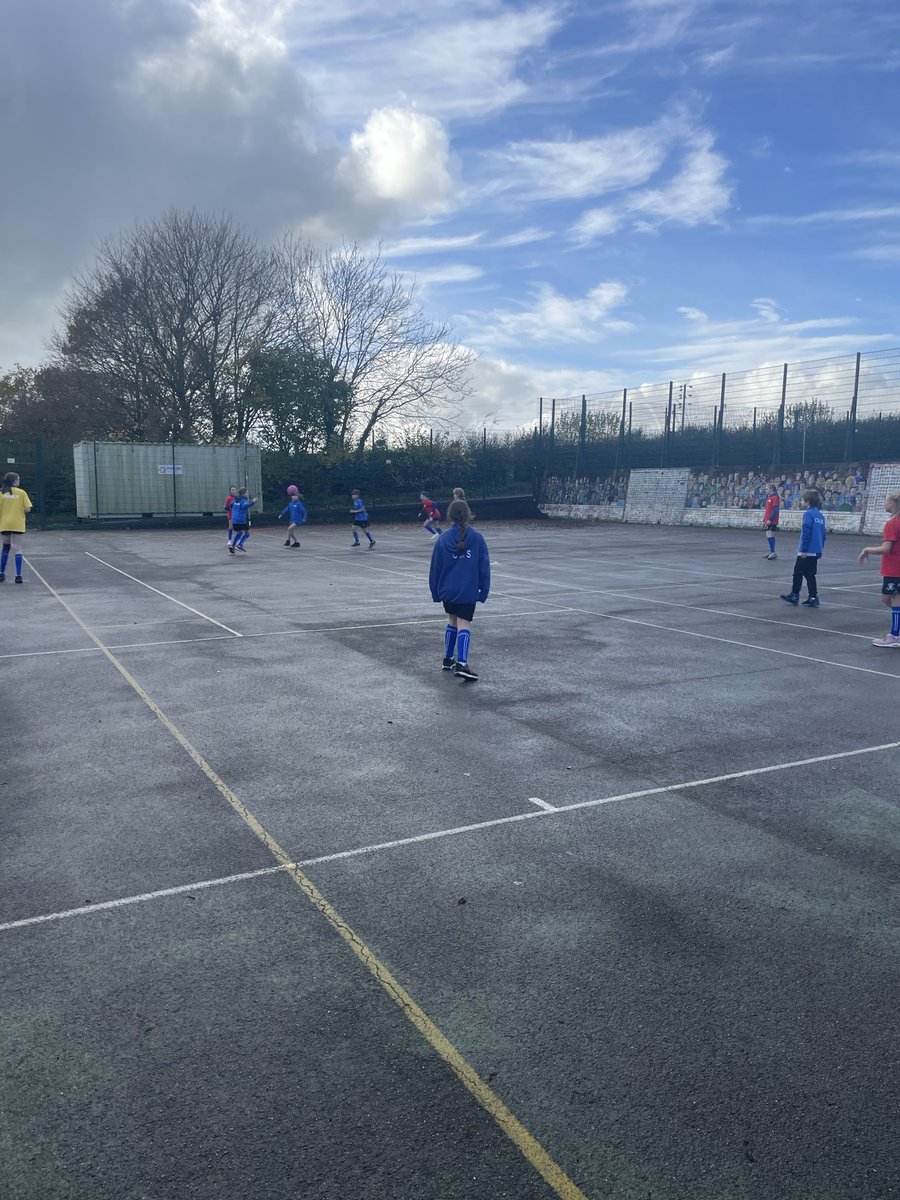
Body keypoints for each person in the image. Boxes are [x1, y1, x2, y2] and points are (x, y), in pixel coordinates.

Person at [429, 499, 490, 681]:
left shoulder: (443, 540)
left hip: (448, 590)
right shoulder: (477, 539)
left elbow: (435, 568)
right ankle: (462, 663)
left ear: (449, 516)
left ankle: (448, 659)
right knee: (464, 624)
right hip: (467, 590)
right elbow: (484, 567)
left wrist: (435, 591)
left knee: (452, 620)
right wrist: (484, 590)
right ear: (469, 514)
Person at [857, 491, 900, 647]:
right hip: (894, 567)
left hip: (895, 568)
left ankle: (895, 636)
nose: (885, 504)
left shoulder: (892, 523)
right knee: (886, 599)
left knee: (894, 598)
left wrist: (867, 549)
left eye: (887, 501)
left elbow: (886, 548)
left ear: (894, 504)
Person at [781, 489, 826, 607]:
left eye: (802, 500)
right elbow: (823, 534)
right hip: (816, 550)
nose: (801, 502)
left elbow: (806, 532)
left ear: (807, 502)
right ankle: (813, 596)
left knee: (798, 573)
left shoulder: (808, 514)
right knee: (810, 574)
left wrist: (804, 549)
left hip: (807, 550)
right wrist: (820, 549)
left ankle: (795, 595)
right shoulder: (820, 516)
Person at [0, 472, 32, 584]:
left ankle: (1, 573)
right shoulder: (22, 493)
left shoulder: (1, 493)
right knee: (17, 548)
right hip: (18, 523)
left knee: (5, 547)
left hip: (5, 523)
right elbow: (27, 509)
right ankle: (18, 575)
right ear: (14, 481)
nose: (19, 481)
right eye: (18, 479)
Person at [228, 487, 256, 554]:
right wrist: (252, 502)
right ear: (243, 493)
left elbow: (229, 505)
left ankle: (233, 546)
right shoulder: (244, 501)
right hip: (241, 520)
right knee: (247, 533)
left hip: (234, 520)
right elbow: (245, 506)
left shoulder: (235, 500)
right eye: (247, 492)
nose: (248, 493)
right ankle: (240, 545)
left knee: (239, 532)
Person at [763, 483, 780, 560]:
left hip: (772, 520)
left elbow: (775, 510)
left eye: (767, 489)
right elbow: (767, 510)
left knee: (769, 533)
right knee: (769, 534)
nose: (765, 490)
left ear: (771, 489)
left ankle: (772, 552)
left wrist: (770, 519)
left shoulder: (775, 497)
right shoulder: (769, 497)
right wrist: (764, 520)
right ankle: (771, 551)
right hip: (769, 520)